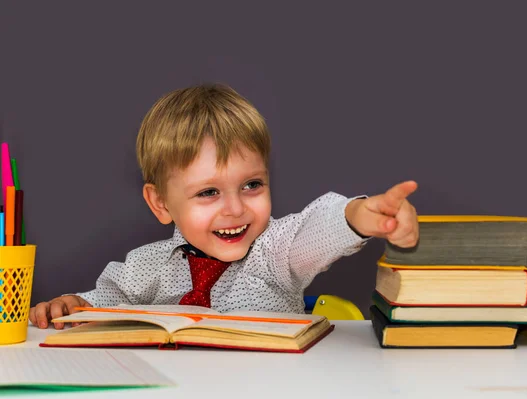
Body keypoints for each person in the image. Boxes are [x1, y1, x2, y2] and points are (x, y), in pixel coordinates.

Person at [29, 83, 419, 329]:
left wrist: (357, 216)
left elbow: (314, 229)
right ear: (161, 203)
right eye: (208, 193)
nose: (235, 209)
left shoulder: (275, 251)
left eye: (252, 185)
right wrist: (76, 305)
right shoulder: (146, 264)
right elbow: (108, 302)